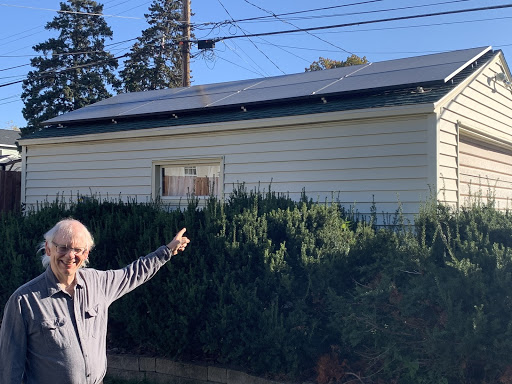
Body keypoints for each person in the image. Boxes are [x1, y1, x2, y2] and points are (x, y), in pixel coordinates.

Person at [0, 218, 190, 384]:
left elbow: (134, 273)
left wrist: (167, 251)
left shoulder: (98, 283)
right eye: (63, 248)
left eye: (78, 250)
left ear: (86, 254)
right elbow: (9, 365)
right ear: (48, 248)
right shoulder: (24, 300)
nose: (70, 256)